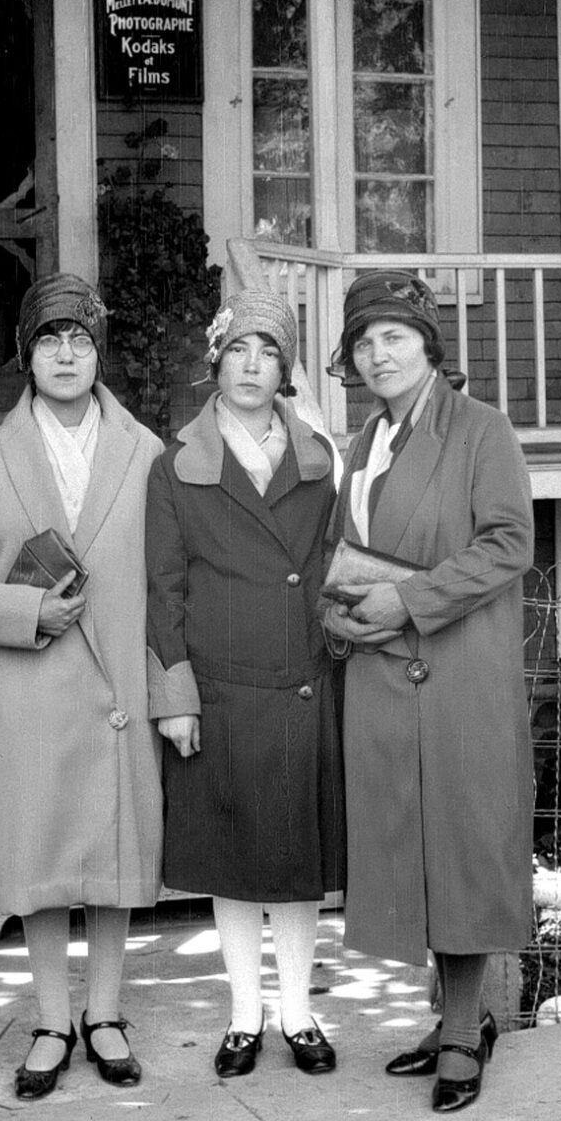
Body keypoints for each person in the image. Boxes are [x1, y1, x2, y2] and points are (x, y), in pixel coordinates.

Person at [0, 272, 164, 1099]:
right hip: (29, 685)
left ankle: (104, 1014)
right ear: (26, 356)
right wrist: (26, 608)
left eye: (80, 340)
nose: (65, 355)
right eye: (48, 340)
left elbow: (170, 575)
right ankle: (51, 1020)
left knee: (111, 851)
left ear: (98, 354)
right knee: (39, 853)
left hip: (117, 683)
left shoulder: (146, 453)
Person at [322, 270, 534, 1115]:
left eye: (394, 338)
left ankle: (461, 1034)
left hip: (456, 673)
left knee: (461, 847)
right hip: (382, 672)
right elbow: (349, 548)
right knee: (414, 852)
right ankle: (450, 1017)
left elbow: (509, 543)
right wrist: (340, 611)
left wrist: (407, 601)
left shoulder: (481, 429)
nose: (379, 355)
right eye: (364, 343)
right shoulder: (364, 444)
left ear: (428, 347)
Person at [145, 289, 344, 1079]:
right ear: (216, 362)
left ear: (285, 370)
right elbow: (164, 591)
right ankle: (243, 1016)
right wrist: (176, 697)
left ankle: (298, 1012)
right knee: (231, 860)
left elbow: (331, 564)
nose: (251, 365)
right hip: (221, 689)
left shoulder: (318, 460)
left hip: (301, 679)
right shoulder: (176, 466)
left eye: (268, 352)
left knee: (294, 861)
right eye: (238, 349)